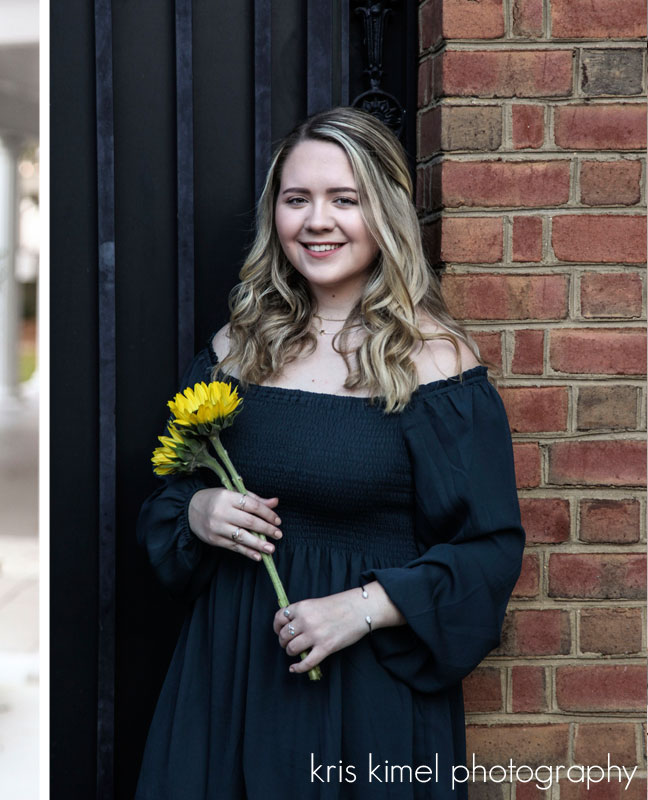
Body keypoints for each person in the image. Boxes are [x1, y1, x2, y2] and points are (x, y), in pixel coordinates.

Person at [135, 107, 524, 799]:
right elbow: (165, 498)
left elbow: (487, 551)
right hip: (229, 674)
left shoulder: (435, 364)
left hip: (367, 694)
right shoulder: (237, 348)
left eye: (345, 200)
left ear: (385, 212)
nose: (318, 221)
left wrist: (362, 608)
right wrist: (198, 509)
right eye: (297, 200)